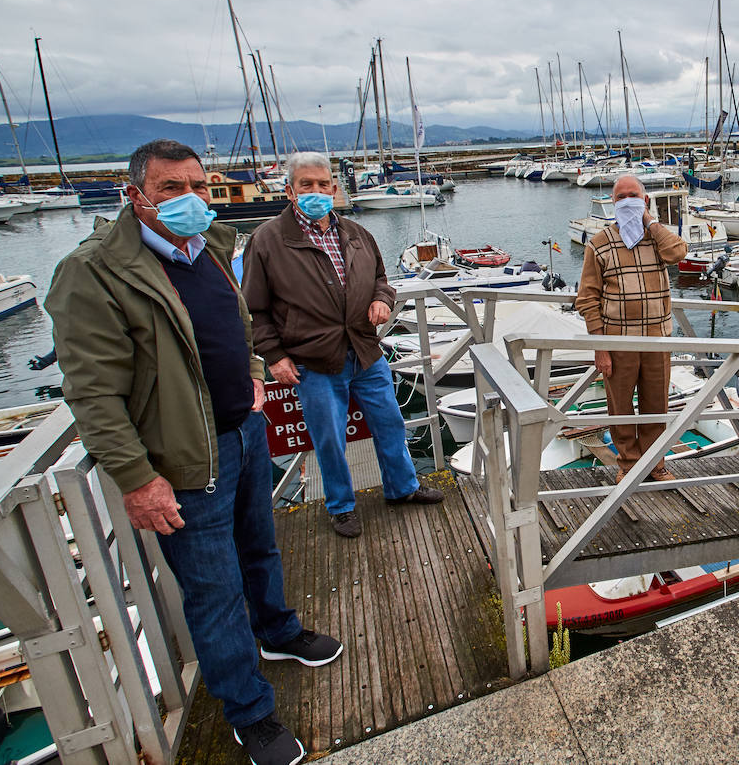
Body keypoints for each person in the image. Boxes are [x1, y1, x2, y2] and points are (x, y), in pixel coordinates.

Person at [47, 140, 340, 765]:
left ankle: (279, 633)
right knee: (213, 588)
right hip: (180, 462)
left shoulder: (208, 247)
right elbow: (93, 391)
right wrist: (135, 478)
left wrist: (255, 370)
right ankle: (250, 712)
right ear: (136, 198)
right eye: (170, 190)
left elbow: (229, 328)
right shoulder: (94, 271)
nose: (189, 200)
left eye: (198, 187)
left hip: (242, 433)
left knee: (260, 548)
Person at [242, 152, 443, 538]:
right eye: (306, 185)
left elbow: (382, 278)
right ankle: (341, 506)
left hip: (366, 352)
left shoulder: (355, 233)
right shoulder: (267, 241)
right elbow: (255, 310)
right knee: (329, 439)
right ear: (290, 191)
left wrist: (383, 299)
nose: (316, 191)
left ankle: (403, 488)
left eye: (323, 184)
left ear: (334, 189)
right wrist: (275, 357)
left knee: (390, 423)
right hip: (313, 361)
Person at [574, 174, 688, 482]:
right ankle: (628, 464)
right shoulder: (599, 244)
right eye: (621, 197)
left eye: (633, 195)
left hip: (657, 341)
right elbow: (587, 299)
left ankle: (655, 465)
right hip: (618, 342)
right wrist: (600, 348)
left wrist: (649, 221)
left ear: (645, 200)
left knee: (656, 407)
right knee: (620, 409)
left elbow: (679, 253)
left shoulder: (658, 238)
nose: (627, 202)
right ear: (612, 203)